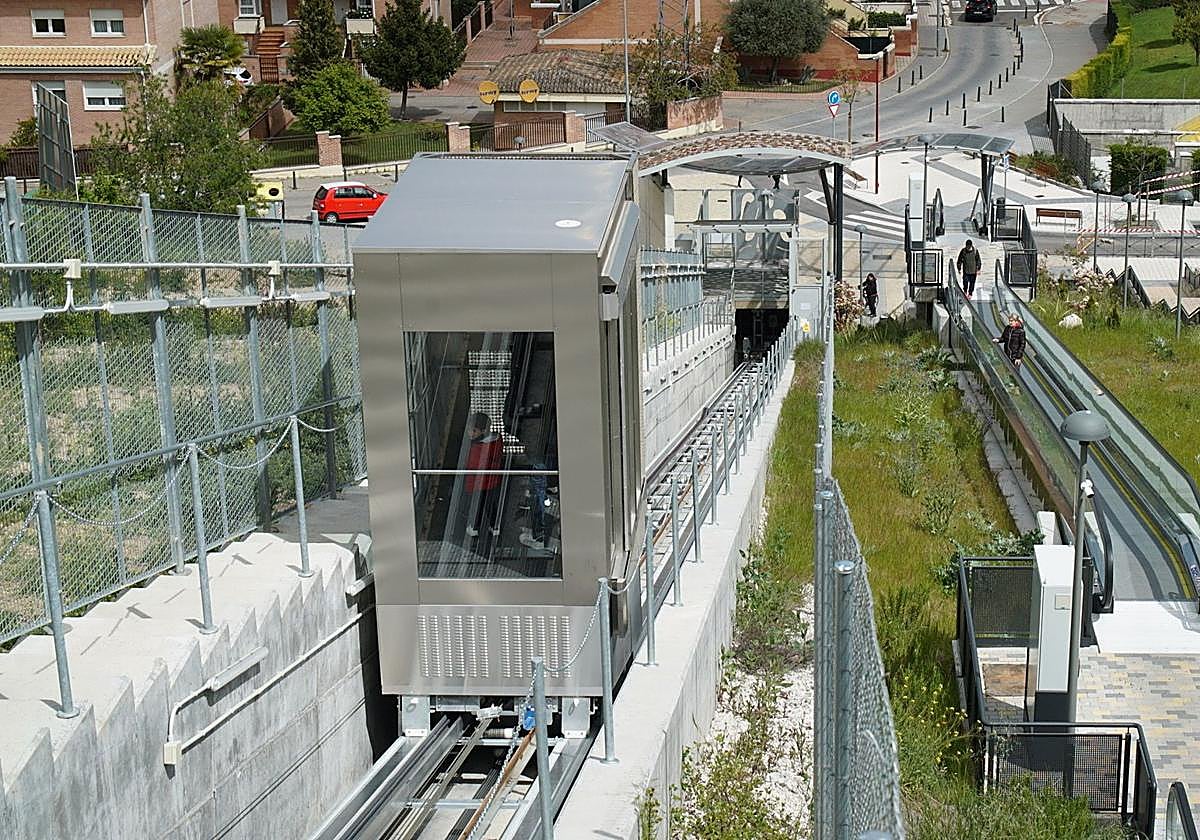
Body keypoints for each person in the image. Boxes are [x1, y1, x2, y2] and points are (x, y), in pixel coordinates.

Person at [465, 412, 503, 546]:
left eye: (473, 430)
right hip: (492, 481)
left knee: (478, 507)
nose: (470, 433)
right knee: (491, 505)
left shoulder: (477, 447)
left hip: (479, 483)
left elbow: (472, 466)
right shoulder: (497, 441)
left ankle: (475, 528)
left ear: (482, 431)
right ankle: (495, 526)